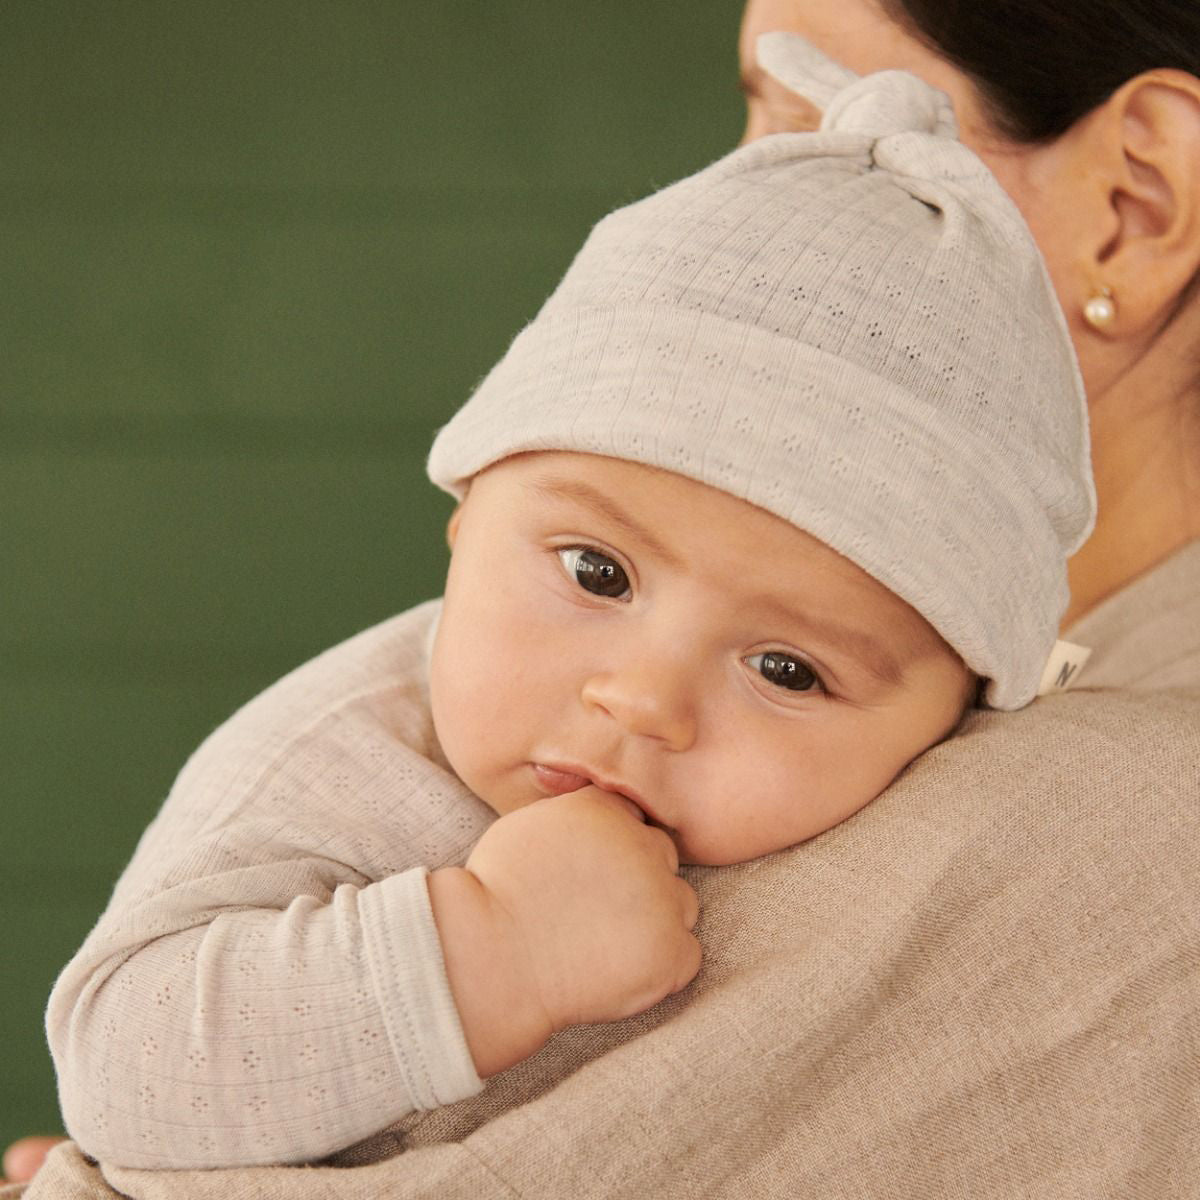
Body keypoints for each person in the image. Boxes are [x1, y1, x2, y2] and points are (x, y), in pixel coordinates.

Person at [8, 0, 1198, 1191]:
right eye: (596, 573)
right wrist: (489, 954)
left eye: (787, 670)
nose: (642, 701)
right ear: (467, 516)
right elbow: (122, 1062)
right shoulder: (355, 752)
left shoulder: (1106, 825)